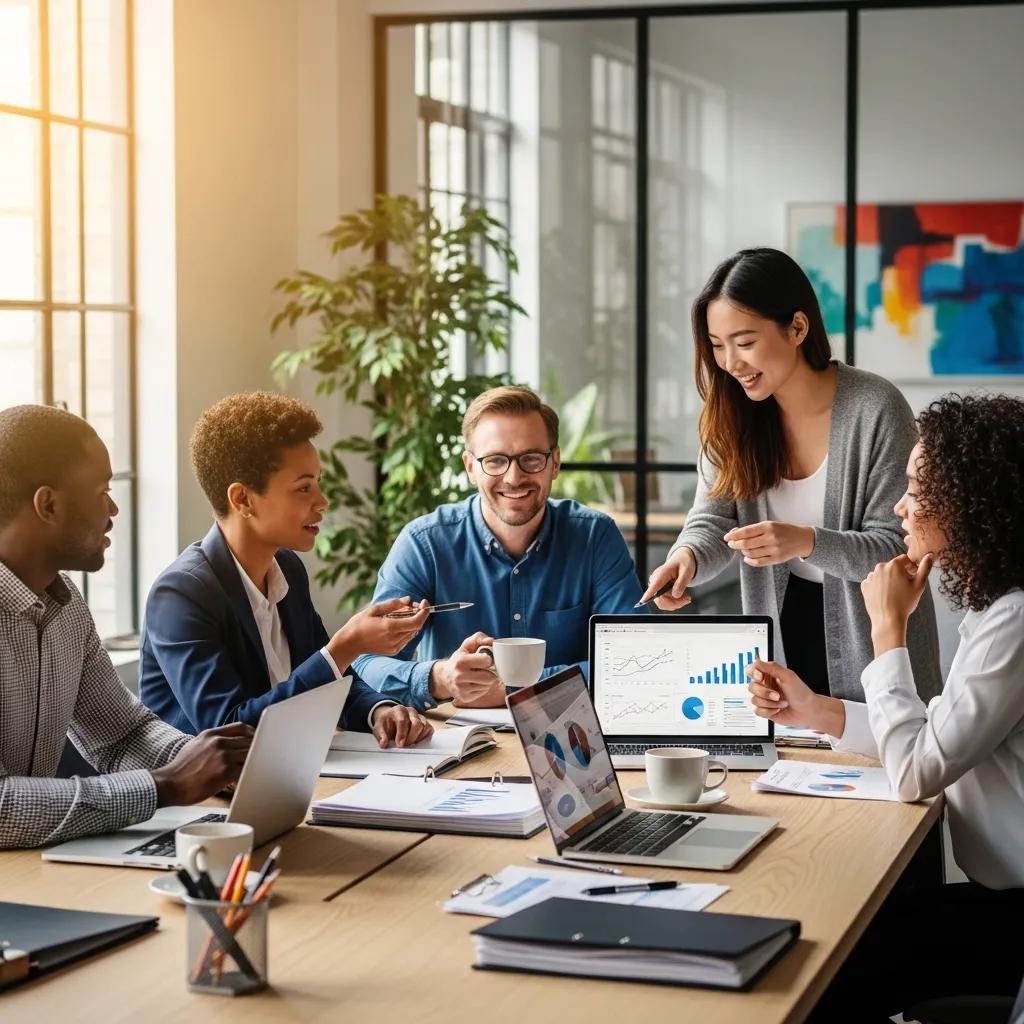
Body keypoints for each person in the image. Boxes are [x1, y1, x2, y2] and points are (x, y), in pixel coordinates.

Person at [747, 393, 1024, 1019]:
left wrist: (887, 629)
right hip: (997, 901)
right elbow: (932, 739)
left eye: (918, 490)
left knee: (821, 969)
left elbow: (915, 773)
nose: (901, 506)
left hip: (1014, 918)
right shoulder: (998, 607)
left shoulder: (1015, 620)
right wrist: (817, 711)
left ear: (972, 502)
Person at [639, 247, 940, 702]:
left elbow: (897, 549)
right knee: (789, 768)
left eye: (744, 342)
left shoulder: (875, 408)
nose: (730, 363)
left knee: (885, 763)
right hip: (781, 626)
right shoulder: (731, 414)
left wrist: (805, 541)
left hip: (873, 633)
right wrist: (687, 559)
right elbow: (714, 519)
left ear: (797, 328)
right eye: (717, 346)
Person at [0, 404, 253, 849]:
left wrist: (212, 765)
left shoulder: (65, 605)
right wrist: (166, 785)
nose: (114, 509)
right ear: (48, 505)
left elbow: (122, 734)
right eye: (102, 492)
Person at [139, 393, 433, 748]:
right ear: (242, 499)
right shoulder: (182, 594)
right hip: (211, 798)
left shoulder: (287, 568)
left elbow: (332, 679)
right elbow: (230, 731)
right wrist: (345, 646)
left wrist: (380, 711)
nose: (322, 501)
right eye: (303, 487)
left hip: (293, 771)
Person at [353, 385, 645, 711]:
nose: (514, 477)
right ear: (470, 467)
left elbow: (634, 660)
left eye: (531, 459)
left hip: (569, 739)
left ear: (556, 463)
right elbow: (367, 662)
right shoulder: (425, 543)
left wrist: (516, 689)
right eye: (495, 461)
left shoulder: (594, 537)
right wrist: (440, 678)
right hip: (458, 747)